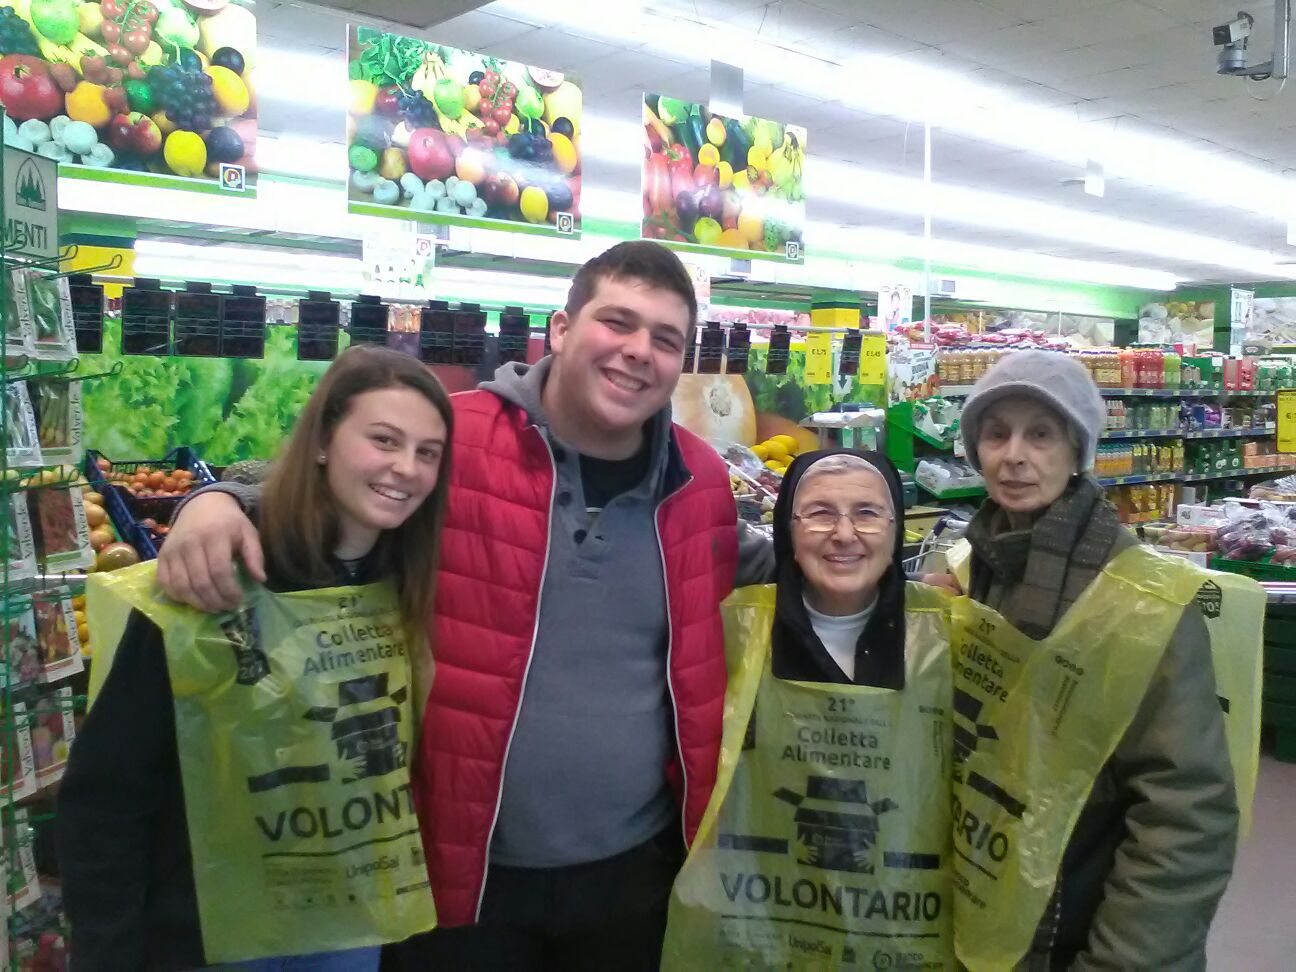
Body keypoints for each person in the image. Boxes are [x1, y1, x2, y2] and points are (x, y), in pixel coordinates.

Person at [152, 241, 775, 970]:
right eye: (617, 322)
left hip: (635, 872)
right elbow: (334, 484)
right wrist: (221, 500)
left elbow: (779, 563)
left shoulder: (699, 481)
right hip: (457, 870)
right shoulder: (456, 435)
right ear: (562, 330)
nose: (640, 351)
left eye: (666, 339)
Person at [57, 346, 454, 971]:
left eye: (428, 452)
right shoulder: (216, 576)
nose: (405, 467)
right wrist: (108, 952)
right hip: (208, 933)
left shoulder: (409, 582)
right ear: (322, 441)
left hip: (345, 929)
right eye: (383, 439)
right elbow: (108, 793)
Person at [948, 349, 1238, 971]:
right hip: (988, 914)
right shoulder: (975, 570)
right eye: (996, 433)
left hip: (1078, 930)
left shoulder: (1141, 600)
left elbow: (1184, 813)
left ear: (1077, 450)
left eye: (1041, 434)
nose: (1014, 455)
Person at [660, 450, 954, 969]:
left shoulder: (949, 636)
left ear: (895, 530)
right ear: (788, 532)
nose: (844, 534)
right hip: (758, 933)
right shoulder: (731, 633)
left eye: (867, 513)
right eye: (820, 514)